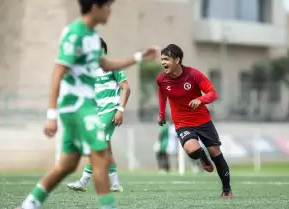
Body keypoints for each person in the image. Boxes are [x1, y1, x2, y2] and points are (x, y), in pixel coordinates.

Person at [16, 0, 158, 208]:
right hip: (76, 106)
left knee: (68, 164)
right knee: (100, 154)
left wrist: (138, 57)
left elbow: (105, 64)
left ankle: (29, 204)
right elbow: (57, 74)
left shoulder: (92, 36)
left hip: (88, 105)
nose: (110, 10)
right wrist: (51, 115)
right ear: (95, 7)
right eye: (108, 6)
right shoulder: (74, 34)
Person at [156, 44, 233, 198]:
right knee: (192, 150)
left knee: (216, 154)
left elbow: (213, 93)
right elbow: (162, 94)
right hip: (182, 123)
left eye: (167, 59)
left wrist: (201, 99)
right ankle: (202, 156)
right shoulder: (162, 79)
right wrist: (162, 114)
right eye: (162, 59)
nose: (163, 62)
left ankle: (227, 190)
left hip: (203, 121)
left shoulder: (194, 75)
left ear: (177, 59)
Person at [67, 37, 130, 192]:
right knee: (106, 149)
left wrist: (120, 110)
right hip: (97, 113)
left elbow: (126, 88)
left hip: (110, 111)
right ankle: (116, 184)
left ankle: (83, 181)